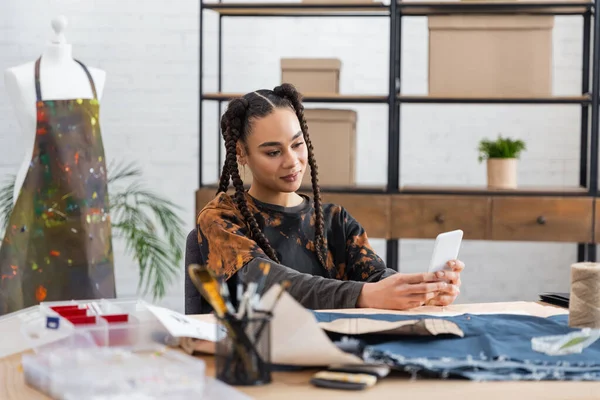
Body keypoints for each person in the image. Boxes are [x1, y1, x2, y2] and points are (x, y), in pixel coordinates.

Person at [196, 83, 464, 310]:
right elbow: (270, 283)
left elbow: (376, 278)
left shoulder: (335, 220)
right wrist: (362, 296)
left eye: (297, 144)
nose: (293, 162)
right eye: (273, 152)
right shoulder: (220, 219)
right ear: (241, 153)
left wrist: (420, 292)